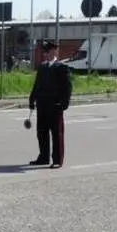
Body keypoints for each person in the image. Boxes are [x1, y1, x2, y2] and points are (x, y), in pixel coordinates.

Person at [28, 40, 72, 169]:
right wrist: (32, 100)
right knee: (41, 132)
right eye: (44, 51)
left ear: (54, 51)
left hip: (55, 105)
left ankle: (57, 159)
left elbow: (67, 87)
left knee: (56, 133)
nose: (45, 54)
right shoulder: (42, 67)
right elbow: (37, 85)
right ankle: (43, 157)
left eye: (47, 51)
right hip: (42, 105)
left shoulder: (61, 67)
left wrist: (64, 104)